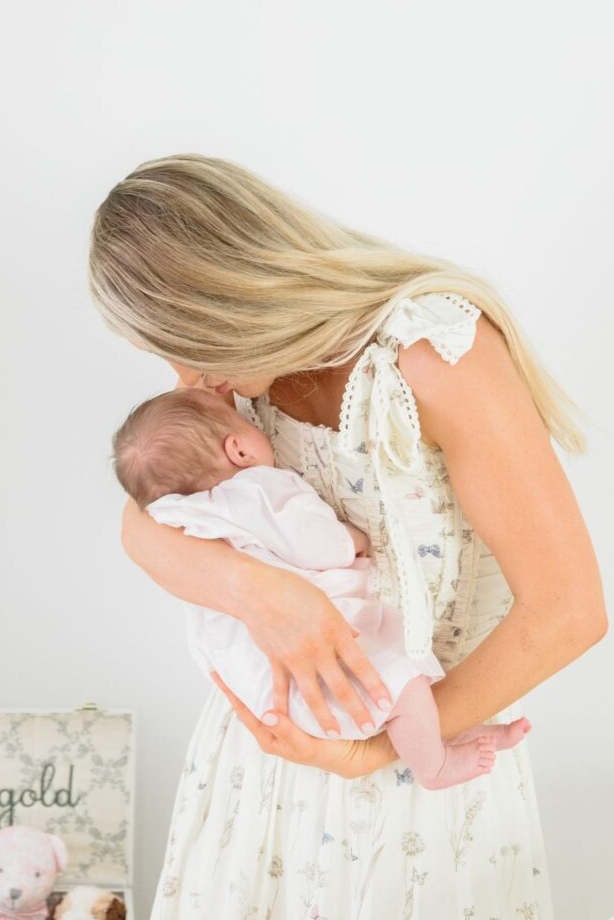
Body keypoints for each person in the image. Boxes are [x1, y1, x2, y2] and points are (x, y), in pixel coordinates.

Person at [87, 153, 606, 918]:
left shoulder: (432, 355)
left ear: (229, 302)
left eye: (182, 344)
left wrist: (378, 750)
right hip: (260, 772)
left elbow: (568, 612)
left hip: (421, 769)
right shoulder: (231, 382)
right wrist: (262, 596)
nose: (182, 376)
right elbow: (145, 523)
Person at [110, 385, 532, 789]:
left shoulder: (180, 512)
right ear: (237, 449)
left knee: (404, 696)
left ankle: (451, 735)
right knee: (404, 684)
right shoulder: (258, 489)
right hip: (316, 664)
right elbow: (316, 545)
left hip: (265, 686)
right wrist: (352, 539)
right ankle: (434, 765)